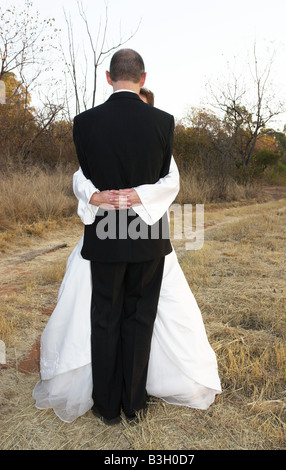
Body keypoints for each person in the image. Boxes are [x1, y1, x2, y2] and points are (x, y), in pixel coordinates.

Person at [32, 83, 221, 425]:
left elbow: (170, 182)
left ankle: (119, 402)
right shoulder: (142, 128)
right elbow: (80, 177)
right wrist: (96, 197)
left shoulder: (153, 134)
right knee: (125, 316)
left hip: (141, 235)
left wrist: (135, 195)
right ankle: (122, 401)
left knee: (121, 317)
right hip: (120, 235)